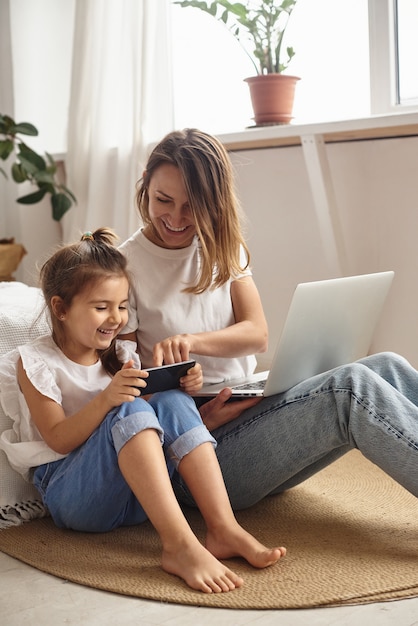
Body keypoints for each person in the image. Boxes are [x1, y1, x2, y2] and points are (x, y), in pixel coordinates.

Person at [119, 128, 418, 514]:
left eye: (192, 206)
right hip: (197, 451)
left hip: (249, 414)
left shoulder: (222, 248)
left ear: (215, 203)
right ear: (145, 185)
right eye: (163, 200)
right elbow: (120, 386)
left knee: (388, 366)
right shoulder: (123, 267)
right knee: (349, 389)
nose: (176, 218)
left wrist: (192, 341)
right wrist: (198, 415)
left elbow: (256, 334)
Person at [0, 228, 286, 595]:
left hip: (135, 496)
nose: (116, 318)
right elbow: (57, 438)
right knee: (128, 407)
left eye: (121, 306)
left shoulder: (122, 357)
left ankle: (222, 528)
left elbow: (151, 423)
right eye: (101, 307)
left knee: (171, 400)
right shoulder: (36, 362)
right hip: (75, 497)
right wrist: (108, 399)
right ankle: (180, 547)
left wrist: (191, 398)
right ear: (61, 308)